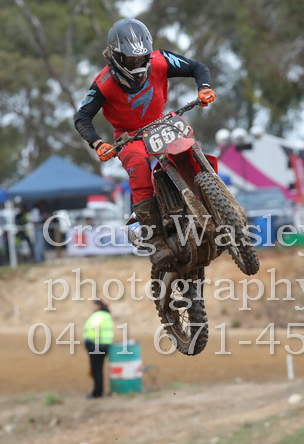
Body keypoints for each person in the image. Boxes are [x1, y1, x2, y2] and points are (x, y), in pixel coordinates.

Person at [74, 18, 216, 267]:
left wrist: (203, 88)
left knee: (190, 145)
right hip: (130, 136)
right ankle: (155, 239)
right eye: (132, 59)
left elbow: (197, 67)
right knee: (138, 163)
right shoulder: (103, 84)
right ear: (117, 56)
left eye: (142, 57)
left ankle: (216, 202)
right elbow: (82, 116)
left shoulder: (160, 60)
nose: (138, 62)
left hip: (162, 123)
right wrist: (98, 143)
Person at [83, 299, 114, 399]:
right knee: (99, 369)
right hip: (105, 344)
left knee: (96, 370)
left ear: (98, 306)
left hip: (96, 345)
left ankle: (97, 392)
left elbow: (94, 328)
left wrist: (89, 341)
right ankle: (99, 391)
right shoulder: (106, 315)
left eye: (94, 305)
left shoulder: (98, 315)